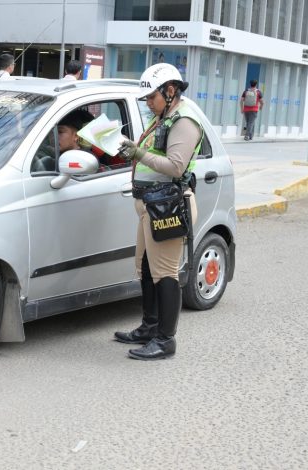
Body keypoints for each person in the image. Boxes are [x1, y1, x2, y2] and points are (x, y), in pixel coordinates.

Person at [114, 63, 202, 361]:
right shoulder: (165, 117)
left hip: (168, 205)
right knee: (146, 267)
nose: (148, 103)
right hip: (151, 204)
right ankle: (149, 327)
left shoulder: (184, 121)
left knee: (165, 273)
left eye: (151, 97)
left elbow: (175, 166)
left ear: (170, 90)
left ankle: (165, 340)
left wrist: (138, 154)